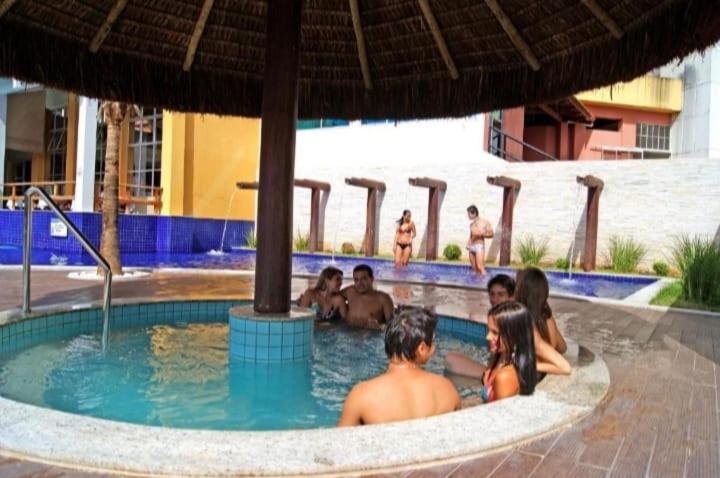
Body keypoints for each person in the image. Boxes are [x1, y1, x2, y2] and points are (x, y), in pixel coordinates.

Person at [338, 307, 461, 426]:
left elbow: (341, 438)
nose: (434, 347)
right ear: (422, 349)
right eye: (433, 341)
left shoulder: (361, 395)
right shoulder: (447, 389)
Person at [480, 301, 538, 402]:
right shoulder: (499, 357)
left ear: (515, 336)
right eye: (488, 330)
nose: (488, 337)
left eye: (495, 333)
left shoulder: (504, 377)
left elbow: (498, 412)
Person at [515, 267, 568, 354]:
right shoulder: (547, 317)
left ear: (521, 292)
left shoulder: (520, 320)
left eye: (517, 286)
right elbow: (563, 348)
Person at [341, 264, 394, 330]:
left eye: (364, 279)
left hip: (370, 334)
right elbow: (332, 297)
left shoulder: (383, 299)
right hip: (346, 332)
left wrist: (380, 326)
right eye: (356, 280)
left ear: (372, 279)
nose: (360, 283)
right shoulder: (350, 291)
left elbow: (393, 326)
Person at [466, 205, 493, 275]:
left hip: (479, 246)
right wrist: (468, 243)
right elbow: (471, 235)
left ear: (474, 213)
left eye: (469, 214)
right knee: (474, 269)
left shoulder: (484, 222)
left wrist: (482, 235)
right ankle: (477, 281)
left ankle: (488, 280)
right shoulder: (471, 224)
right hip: (471, 247)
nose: (468, 216)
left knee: (480, 267)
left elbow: (491, 234)